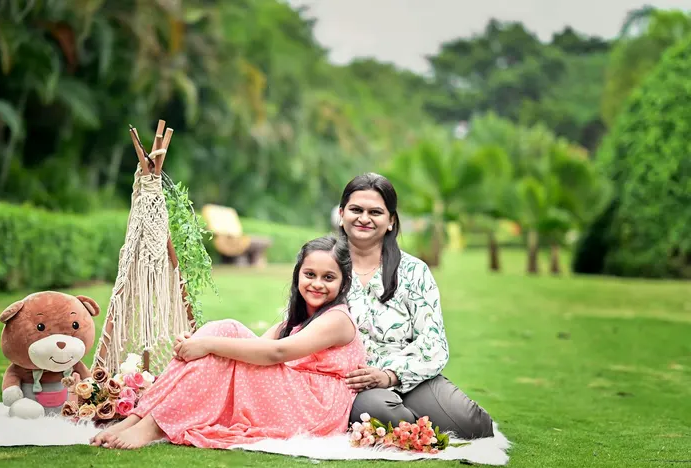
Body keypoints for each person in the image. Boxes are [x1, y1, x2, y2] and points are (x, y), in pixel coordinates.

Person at [91, 235, 367, 450]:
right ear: (298, 275)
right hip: (296, 396)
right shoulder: (297, 317)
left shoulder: (337, 319)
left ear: (343, 283)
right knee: (224, 335)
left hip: (315, 409)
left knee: (227, 330)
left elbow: (276, 352)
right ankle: (138, 419)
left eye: (328, 277)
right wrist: (200, 343)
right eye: (310, 274)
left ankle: (151, 425)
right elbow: (253, 350)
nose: (317, 284)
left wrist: (208, 344)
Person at [338, 172, 494, 439]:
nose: (364, 218)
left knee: (474, 425)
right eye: (356, 210)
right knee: (381, 411)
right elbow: (297, 324)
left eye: (375, 212)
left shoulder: (413, 271)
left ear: (390, 221)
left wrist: (389, 375)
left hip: (409, 374)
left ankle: (415, 423)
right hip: (356, 384)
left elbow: (434, 342)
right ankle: (416, 428)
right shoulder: (325, 267)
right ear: (342, 214)